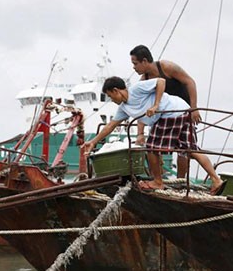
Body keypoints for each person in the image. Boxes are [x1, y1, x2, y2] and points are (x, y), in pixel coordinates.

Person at [82, 76, 224, 193]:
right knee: (190, 150)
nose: (111, 99)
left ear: (115, 90)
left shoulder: (136, 89)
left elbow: (161, 81)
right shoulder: (124, 108)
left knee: (151, 148)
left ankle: (157, 181)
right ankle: (216, 179)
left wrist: (155, 105)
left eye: (110, 96)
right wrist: (93, 141)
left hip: (169, 112)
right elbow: (111, 126)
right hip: (182, 110)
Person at [129, 45, 201, 178]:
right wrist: (140, 133)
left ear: (144, 61)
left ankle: (180, 180)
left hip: (183, 110)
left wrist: (194, 108)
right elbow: (142, 108)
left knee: (184, 149)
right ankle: (157, 178)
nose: (134, 68)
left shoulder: (166, 67)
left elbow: (190, 82)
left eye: (135, 64)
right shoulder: (144, 81)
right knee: (153, 145)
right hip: (164, 115)